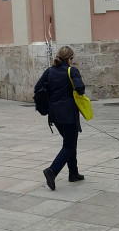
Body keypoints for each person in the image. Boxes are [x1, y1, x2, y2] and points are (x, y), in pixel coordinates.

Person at [35, 46, 86, 190]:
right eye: (72, 59)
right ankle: (52, 171)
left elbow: (37, 87)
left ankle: (73, 173)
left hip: (55, 116)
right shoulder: (72, 71)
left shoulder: (49, 71)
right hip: (69, 115)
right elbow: (80, 88)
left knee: (69, 142)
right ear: (69, 59)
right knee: (69, 145)